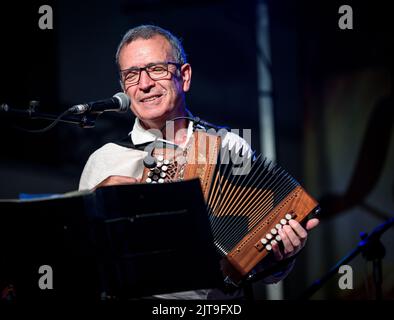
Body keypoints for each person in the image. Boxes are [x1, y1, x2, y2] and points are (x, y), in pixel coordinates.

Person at [79, 25, 319, 299]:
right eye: (131, 75)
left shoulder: (229, 145)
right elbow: (81, 266)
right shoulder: (105, 160)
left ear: (185, 76)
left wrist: (280, 257)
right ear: (123, 88)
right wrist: (95, 216)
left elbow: (256, 259)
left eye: (156, 69)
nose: (144, 84)